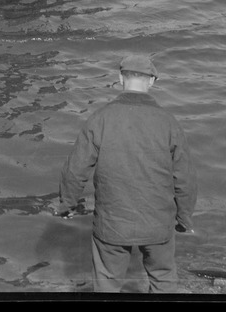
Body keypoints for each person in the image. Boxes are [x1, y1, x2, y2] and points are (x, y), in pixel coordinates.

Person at [57, 55, 197, 293]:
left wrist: (66, 204)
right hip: (158, 224)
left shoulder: (99, 119)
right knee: (163, 277)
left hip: (111, 224)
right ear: (151, 81)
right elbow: (184, 178)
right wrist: (184, 218)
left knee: (107, 281)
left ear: (120, 78)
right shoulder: (169, 122)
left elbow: (75, 169)